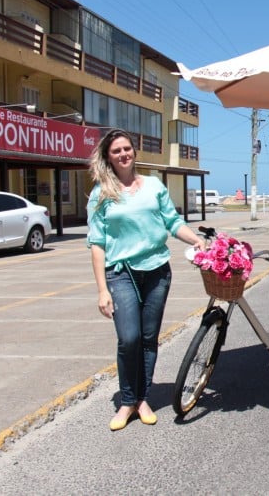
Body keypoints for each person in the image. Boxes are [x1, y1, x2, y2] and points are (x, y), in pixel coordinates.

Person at [87, 129, 205, 431]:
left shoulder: (153, 185)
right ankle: (127, 401)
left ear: (134, 152)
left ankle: (142, 398)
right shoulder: (101, 193)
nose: (124, 154)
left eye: (127, 148)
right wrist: (102, 290)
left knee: (149, 339)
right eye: (117, 151)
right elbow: (97, 244)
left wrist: (194, 240)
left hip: (157, 271)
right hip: (121, 272)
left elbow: (172, 221)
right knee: (129, 338)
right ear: (108, 157)